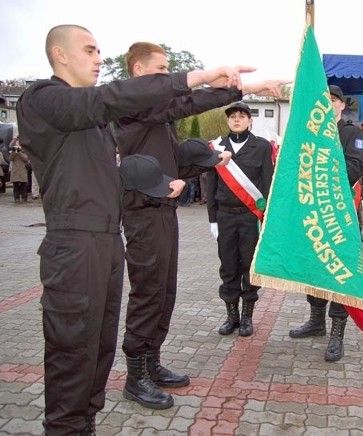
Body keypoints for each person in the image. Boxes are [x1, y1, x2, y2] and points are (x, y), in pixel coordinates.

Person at [17, 23, 266, 434]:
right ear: (60, 55)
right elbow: (110, 99)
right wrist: (202, 77)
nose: (99, 59)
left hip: (106, 238)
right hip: (74, 243)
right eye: (90, 50)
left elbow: (113, 174)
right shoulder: (43, 98)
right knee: (73, 350)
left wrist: (166, 178)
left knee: (96, 348)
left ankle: (86, 422)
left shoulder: (93, 123)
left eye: (99, 50)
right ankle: (68, 425)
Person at [113, 41, 285, 411]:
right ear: (139, 71)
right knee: (147, 293)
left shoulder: (156, 112)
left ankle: (152, 362)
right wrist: (242, 89)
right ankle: (134, 376)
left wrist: (206, 162)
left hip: (164, 209)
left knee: (165, 291)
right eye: (161, 69)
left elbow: (171, 160)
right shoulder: (133, 105)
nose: (167, 76)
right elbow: (188, 102)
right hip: (143, 213)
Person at [289, 84, 363, 361]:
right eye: (324, 100)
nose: (329, 104)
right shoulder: (309, 135)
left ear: (342, 105)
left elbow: (353, 170)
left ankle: (337, 334)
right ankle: (316, 321)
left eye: (333, 100)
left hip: (341, 219)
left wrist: (319, 169)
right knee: (316, 272)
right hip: (314, 217)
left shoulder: (352, 134)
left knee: (340, 275)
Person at [207, 102, 274, 338]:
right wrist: (212, 220)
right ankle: (231, 316)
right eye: (233, 116)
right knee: (228, 267)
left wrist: (267, 220)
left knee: (248, 266)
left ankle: (247, 317)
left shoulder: (262, 147)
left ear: (250, 120)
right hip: (225, 216)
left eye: (241, 116)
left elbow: (267, 184)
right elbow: (210, 185)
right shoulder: (215, 147)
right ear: (228, 121)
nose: (236, 120)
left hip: (250, 218)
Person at [9, 137, 29, 203]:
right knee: (15, 186)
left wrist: (19, 152)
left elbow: (26, 159)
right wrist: (13, 152)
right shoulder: (13, 151)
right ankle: (16, 198)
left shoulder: (25, 150)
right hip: (15, 170)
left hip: (23, 170)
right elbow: (10, 158)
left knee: (24, 185)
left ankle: (24, 197)